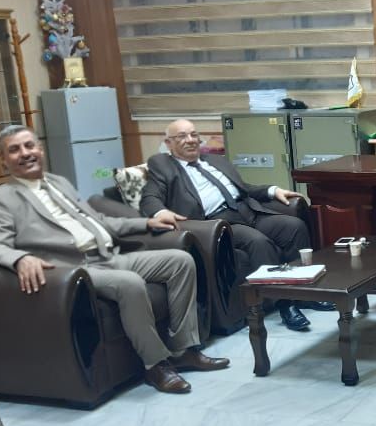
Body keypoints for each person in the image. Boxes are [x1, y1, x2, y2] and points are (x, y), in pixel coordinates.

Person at [0, 126, 229, 395]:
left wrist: (146, 222)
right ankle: (155, 365)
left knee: (180, 261)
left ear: (40, 149)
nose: (25, 153)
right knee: (129, 283)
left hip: (107, 256)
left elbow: (99, 222)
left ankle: (183, 350)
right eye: (14, 150)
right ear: (3, 160)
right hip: (74, 268)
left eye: (29, 146)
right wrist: (21, 259)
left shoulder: (58, 183)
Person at [140, 118, 329, 333]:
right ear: (168, 143)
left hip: (248, 211)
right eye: (182, 136)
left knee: (294, 226)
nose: (190, 140)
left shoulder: (215, 160)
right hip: (220, 223)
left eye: (194, 134)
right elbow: (149, 197)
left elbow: (244, 188)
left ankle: (305, 294)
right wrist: (160, 212)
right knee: (258, 242)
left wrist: (272, 190)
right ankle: (285, 304)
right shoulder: (162, 165)